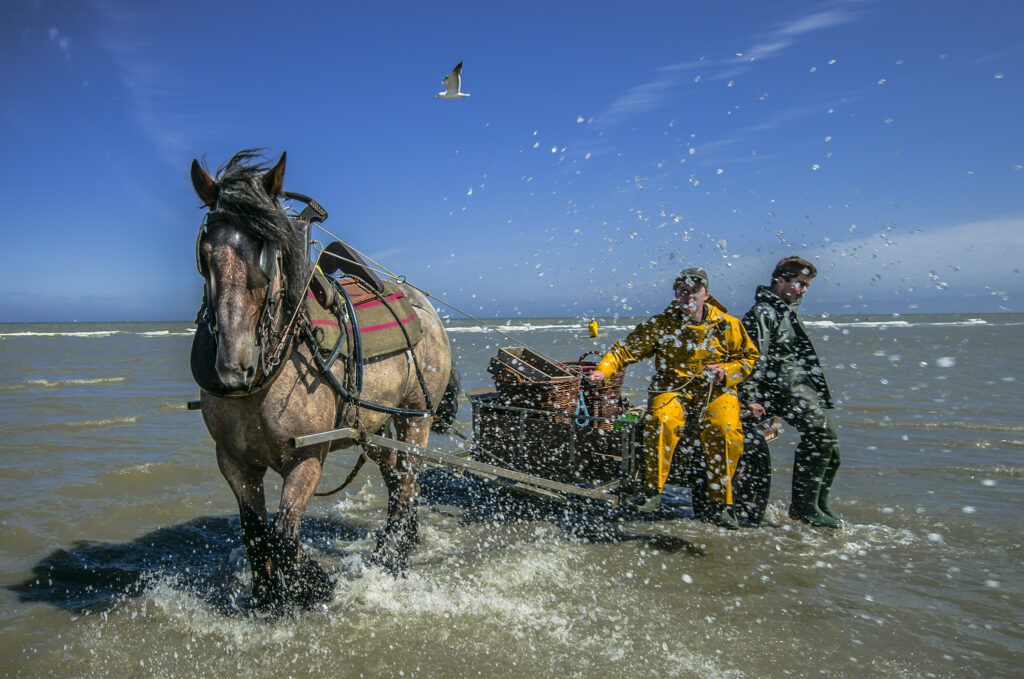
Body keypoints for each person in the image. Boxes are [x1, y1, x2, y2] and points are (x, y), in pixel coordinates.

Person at [589, 268, 758, 528]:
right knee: (660, 421)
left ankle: (721, 503)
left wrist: (726, 372)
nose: (689, 296)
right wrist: (603, 370)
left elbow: (748, 357)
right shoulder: (662, 324)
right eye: (683, 291)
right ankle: (652, 492)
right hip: (672, 387)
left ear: (706, 294)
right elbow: (625, 350)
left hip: (715, 390)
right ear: (676, 295)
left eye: (695, 291)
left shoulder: (727, 324)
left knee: (724, 429)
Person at [739, 256, 843, 528]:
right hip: (782, 390)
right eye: (800, 284)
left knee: (830, 441)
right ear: (780, 280)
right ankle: (804, 506)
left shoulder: (784, 310)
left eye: (807, 286)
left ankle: (819, 502)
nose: (804, 291)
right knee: (821, 434)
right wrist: (748, 398)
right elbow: (754, 356)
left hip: (796, 387)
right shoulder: (764, 312)